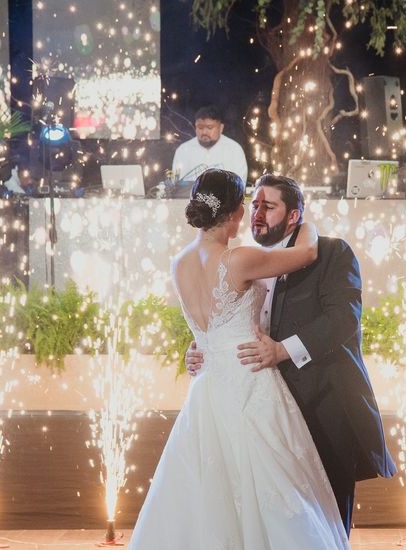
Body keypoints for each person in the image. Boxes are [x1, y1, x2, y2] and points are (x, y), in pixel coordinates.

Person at [129, 169, 350, 550]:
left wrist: (198, 347)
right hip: (250, 381)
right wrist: (307, 225)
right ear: (233, 212)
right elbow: (308, 253)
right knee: (270, 486)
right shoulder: (239, 259)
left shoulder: (179, 263)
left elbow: (207, 326)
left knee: (204, 491)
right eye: (246, 207)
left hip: (207, 388)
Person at [185, 174, 397, 535]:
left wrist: (283, 350)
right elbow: (228, 319)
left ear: (294, 216)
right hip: (262, 412)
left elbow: (343, 320)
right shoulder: (242, 259)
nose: (256, 213)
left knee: (321, 523)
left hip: (324, 406)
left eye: (268, 207)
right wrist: (201, 347)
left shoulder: (331, 252)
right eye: (253, 205)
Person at [171, 105, 248, 183]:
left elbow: (239, 184)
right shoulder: (183, 150)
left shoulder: (234, 149)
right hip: (191, 195)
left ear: (221, 128)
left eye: (210, 127)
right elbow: (177, 185)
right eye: (200, 127)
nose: (204, 132)